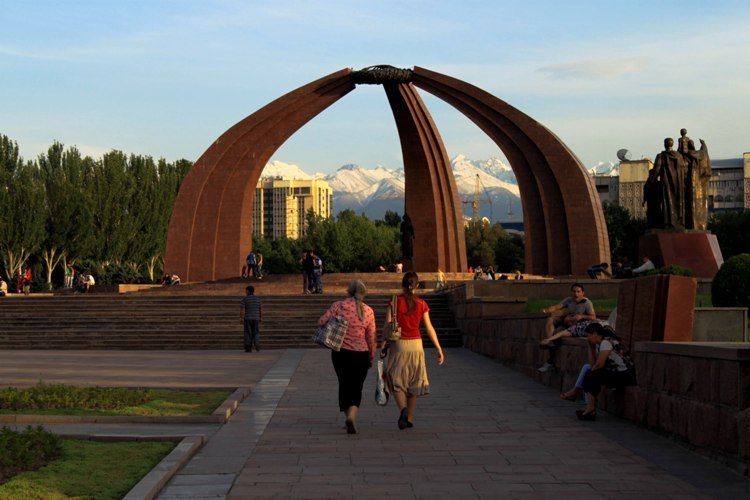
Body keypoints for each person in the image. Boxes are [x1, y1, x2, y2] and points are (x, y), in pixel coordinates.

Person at [379, 272, 444, 429]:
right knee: (414, 382)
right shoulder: (422, 304)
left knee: (396, 380)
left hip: (399, 345)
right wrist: (438, 347)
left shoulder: (394, 301)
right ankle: (409, 418)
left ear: (402, 284)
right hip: (416, 345)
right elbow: (429, 327)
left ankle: (403, 410)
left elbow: (387, 326)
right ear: (417, 286)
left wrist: (383, 346)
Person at [318, 280, 376, 434]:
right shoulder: (369, 311)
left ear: (349, 291)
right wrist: (371, 356)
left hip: (340, 352)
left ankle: (348, 417)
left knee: (344, 384)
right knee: (357, 386)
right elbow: (371, 337)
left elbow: (321, 321)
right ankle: (352, 416)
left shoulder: (339, 305)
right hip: (361, 353)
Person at [576, 322, 636, 420]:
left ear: (595, 334)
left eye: (588, 335)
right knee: (591, 374)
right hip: (617, 373)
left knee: (593, 375)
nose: (588, 338)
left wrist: (590, 373)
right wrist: (590, 347)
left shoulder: (606, 342)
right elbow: (592, 364)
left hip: (625, 374)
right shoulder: (599, 344)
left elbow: (599, 364)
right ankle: (589, 407)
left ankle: (590, 408)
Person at [538, 283, 596, 372]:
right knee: (550, 320)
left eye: (578, 292)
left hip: (576, 325)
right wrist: (547, 310)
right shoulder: (569, 300)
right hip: (566, 320)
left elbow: (593, 317)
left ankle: (550, 361)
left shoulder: (587, 303)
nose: (576, 294)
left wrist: (582, 316)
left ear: (582, 293)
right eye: (574, 291)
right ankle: (550, 340)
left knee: (558, 336)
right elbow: (558, 306)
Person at [240, 285, 262, 352]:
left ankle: (248, 347)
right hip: (256, 318)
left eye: (246, 290)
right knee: (256, 332)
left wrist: (241, 318)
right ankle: (257, 342)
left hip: (248, 318)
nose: (245, 292)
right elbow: (260, 309)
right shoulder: (258, 299)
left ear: (248, 291)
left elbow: (242, 310)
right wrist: (260, 317)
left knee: (247, 333)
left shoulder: (245, 299)